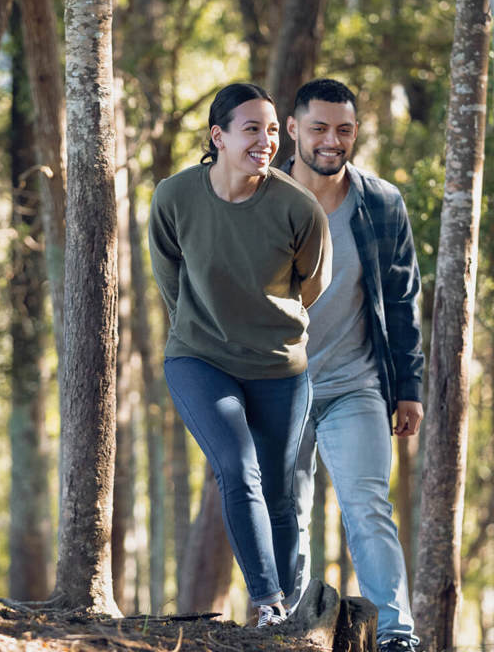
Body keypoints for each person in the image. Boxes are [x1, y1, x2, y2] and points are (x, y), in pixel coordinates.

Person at [148, 82, 332, 628]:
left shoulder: (298, 207)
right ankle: (268, 602)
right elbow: (169, 276)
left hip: (280, 367)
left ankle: (287, 608)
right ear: (218, 136)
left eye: (273, 130)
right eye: (252, 128)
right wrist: (204, 324)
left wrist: (265, 322)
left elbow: (312, 283)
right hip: (199, 357)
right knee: (238, 468)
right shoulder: (174, 197)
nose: (266, 141)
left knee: (279, 492)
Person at [281, 78, 424, 652]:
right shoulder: (263, 198)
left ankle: (395, 634)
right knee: (285, 509)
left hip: (356, 384)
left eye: (343, 129)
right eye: (318, 128)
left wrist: (408, 388)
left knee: (368, 506)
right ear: (293, 129)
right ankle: (288, 624)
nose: (331, 141)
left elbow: (403, 300)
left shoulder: (382, 203)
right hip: (281, 386)